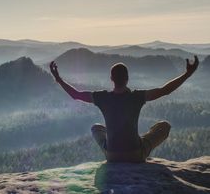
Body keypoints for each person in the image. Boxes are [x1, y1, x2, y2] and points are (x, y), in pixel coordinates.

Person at [49, 55, 199, 163]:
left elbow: (76, 95)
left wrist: (58, 78)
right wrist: (188, 73)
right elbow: (165, 90)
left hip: (112, 154)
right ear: (127, 78)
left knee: (96, 128)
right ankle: (138, 147)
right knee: (163, 126)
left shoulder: (102, 97)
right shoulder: (137, 97)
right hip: (135, 154)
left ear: (111, 79)